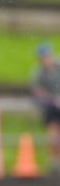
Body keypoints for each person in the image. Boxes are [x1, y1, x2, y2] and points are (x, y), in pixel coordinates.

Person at [31, 42, 60, 173]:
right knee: (53, 133)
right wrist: (53, 99)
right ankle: (54, 162)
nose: (45, 60)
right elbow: (37, 91)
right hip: (50, 106)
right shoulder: (38, 72)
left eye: (47, 57)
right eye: (43, 58)